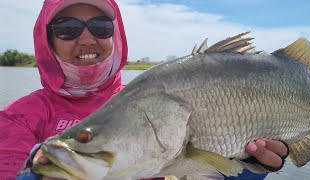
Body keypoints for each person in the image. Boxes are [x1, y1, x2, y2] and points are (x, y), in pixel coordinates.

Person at [0, 0, 289, 179]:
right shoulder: (16, 117)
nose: (87, 38)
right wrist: (40, 172)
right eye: (67, 27)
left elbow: (202, 170)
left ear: (116, 37)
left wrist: (249, 164)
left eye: (101, 26)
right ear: (46, 39)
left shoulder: (142, 98)